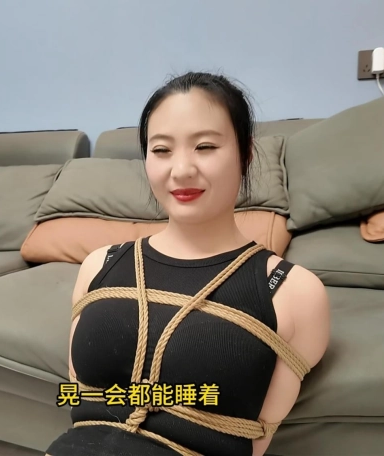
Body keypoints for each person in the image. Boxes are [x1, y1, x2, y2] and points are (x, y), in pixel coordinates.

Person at [46, 72, 331, 456]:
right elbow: (81, 404)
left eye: (205, 146)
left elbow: (253, 438)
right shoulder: (99, 266)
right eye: (161, 150)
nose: (181, 170)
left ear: (245, 154)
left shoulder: (292, 292)